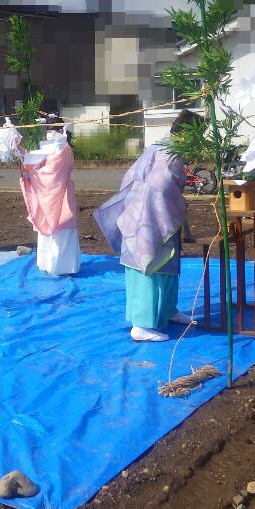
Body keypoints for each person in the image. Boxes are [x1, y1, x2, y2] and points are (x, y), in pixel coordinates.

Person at [93, 110, 202, 342]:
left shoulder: (160, 146)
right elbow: (161, 188)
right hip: (150, 218)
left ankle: (167, 310)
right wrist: (179, 204)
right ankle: (141, 325)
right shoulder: (170, 155)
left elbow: (131, 178)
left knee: (167, 264)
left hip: (143, 213)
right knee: (149, 266)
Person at [18, 127, 81, 276]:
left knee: (61, 229)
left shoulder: (63, 149)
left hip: (60, 195)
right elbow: (40, 165)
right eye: (47, 129)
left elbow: (52, 173)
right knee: (49, 232)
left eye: (52, 129)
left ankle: (61, 267)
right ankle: (47, 264)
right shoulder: (53, 148)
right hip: (49, 195)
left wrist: (32, 173)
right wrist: (21, 153)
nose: (49, 133)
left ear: (60, 130)